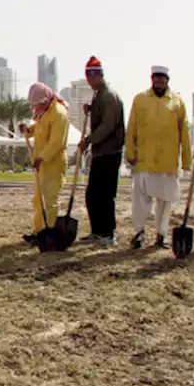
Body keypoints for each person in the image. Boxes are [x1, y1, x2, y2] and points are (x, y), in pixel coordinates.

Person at [125, 66, 191, 249]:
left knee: (165, 201)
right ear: (151, 78)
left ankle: (162, 235)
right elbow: (131, 128)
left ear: (167, 80)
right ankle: (139, 233)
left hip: (167, 162)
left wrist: (186, 160)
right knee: (141, 201)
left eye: (163, 78)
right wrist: (129, 152)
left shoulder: (177, 102)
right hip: (144, 160)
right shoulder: (140, 99)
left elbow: (184, 133)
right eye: (156, 77)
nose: (160, 81)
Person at [78, 56, 125, 246]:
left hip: (110, 152)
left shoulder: (108, 95)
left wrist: (88, 140)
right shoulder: (98, 95)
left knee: (105, 195)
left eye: (90, 77)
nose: (88, 81)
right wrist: (91, 108)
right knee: (93, 194)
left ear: (98, 76)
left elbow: (108, 125)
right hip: (100, 152)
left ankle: (108, 232)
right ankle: (97, 231)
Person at [21, 82, 70, 244]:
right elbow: (38, 130)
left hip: (54, 165)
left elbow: (57, 142)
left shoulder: (59, 113)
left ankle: (50, 233)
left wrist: (42, 157)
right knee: (38, 200)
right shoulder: (43, 113)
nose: (37, 108)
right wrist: (28, 131)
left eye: (39, 104)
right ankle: (39, 231)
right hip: (41, 165)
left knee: (49, 200)